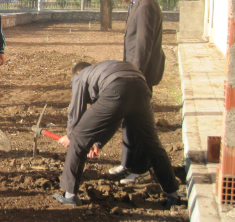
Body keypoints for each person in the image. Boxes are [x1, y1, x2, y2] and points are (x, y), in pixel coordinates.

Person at [53, 60, 180, 209]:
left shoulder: (81, 76)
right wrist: (98, 142)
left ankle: (70, 195)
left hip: (116, 87)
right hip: (141, 87)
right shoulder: (104, 71)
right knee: (152, 143)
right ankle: (173, 194)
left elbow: (76, 110)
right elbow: (115, 117)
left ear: (78, 73)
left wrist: (71, 135)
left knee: (78, 137)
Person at [106, 0, 165, 185]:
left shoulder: (146, 5)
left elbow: (142, 46)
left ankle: (140, 170)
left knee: (140, 123)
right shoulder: (137, 3)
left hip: (142, 75)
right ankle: (127, 163)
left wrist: (136, 76)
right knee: (129, 120)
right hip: (136, 73)